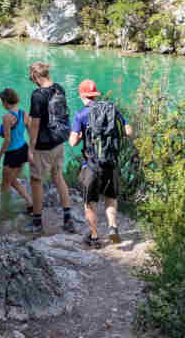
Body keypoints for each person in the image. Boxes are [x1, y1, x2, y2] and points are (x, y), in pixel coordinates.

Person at [69, 79, 133, 248]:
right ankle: (113, 228)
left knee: (90, 203)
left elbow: (72, 142)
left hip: (92, 165)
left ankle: (94, 236)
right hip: (111, 163)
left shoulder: (81, 115)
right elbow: (129, 131)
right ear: (95, 94)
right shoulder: (112, 110)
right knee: (111, 198)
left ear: (82, 95)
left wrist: (81, 136)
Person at [25, 61, 76, 234]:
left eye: (31, 77)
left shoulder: (37, 95)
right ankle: (68, 217)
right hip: (58, 140)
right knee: (58, 176)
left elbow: (35, 125)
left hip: (43, 145)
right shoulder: (59, 88)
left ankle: (37, 222)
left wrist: (31, 149)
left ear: (35, 76)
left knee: (36, 180)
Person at [0, 88, 32, 211]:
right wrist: (31, 151)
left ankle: (4, 211)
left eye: (2, 101)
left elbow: (7, 140)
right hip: (23, 150)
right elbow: (32, 133)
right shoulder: (24, 113)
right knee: (13, 180)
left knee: (5, 185)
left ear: (5, 101)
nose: (2, 104)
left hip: (12, 153)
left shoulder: (7, 117)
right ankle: (30, 203)